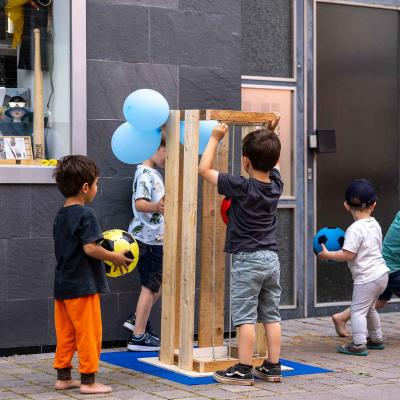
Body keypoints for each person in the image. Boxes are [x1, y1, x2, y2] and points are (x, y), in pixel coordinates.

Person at [199, 124, 283, 386]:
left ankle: (244, 369)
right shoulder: (276, 185)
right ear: (274, 161)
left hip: (248, 260)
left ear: (245, 161)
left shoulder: (241, 187)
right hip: (271, 259)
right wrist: (271, 133)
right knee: (271, 315)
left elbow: (203, 170)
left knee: (245, 316)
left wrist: (215, 138)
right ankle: (272, 366)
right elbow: (274, 162)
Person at [52, 155, 132, 394]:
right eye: (97, 183)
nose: (97, 188)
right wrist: (116, 257)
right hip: (83, 287)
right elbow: (90, 248)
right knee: (89, 333)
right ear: (85, 187)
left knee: (66, 334)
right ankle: (88, 381)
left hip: (62, 287)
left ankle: (63, 376)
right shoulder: (86, 215)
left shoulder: (61, 215)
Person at [318, 179, 389, 355]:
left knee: (357, 311)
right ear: (373, 205)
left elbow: (348, 254)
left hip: (367, 278)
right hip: (381, 274)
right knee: (370, 308)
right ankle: (376, 338)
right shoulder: (375, 224)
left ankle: (358, 344)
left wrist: (328, 255)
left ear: (346, 205)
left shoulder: (354, 229)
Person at [123, 136, 166, 351]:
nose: (169, 158)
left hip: (154, 238)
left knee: (158, 284)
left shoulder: (153, 172)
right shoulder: (144, 174)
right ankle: (138, 336)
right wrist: (157, 206)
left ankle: (137, 319)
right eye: (167, 151)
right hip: (148, 240)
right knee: (151, 286)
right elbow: (140, 204)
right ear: (155, 148)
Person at [332, 211, 400, 338]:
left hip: (385, 266)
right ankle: (360, 342)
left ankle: (342, 317)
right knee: (367, 305)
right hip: (392, 269)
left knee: (374, 303)